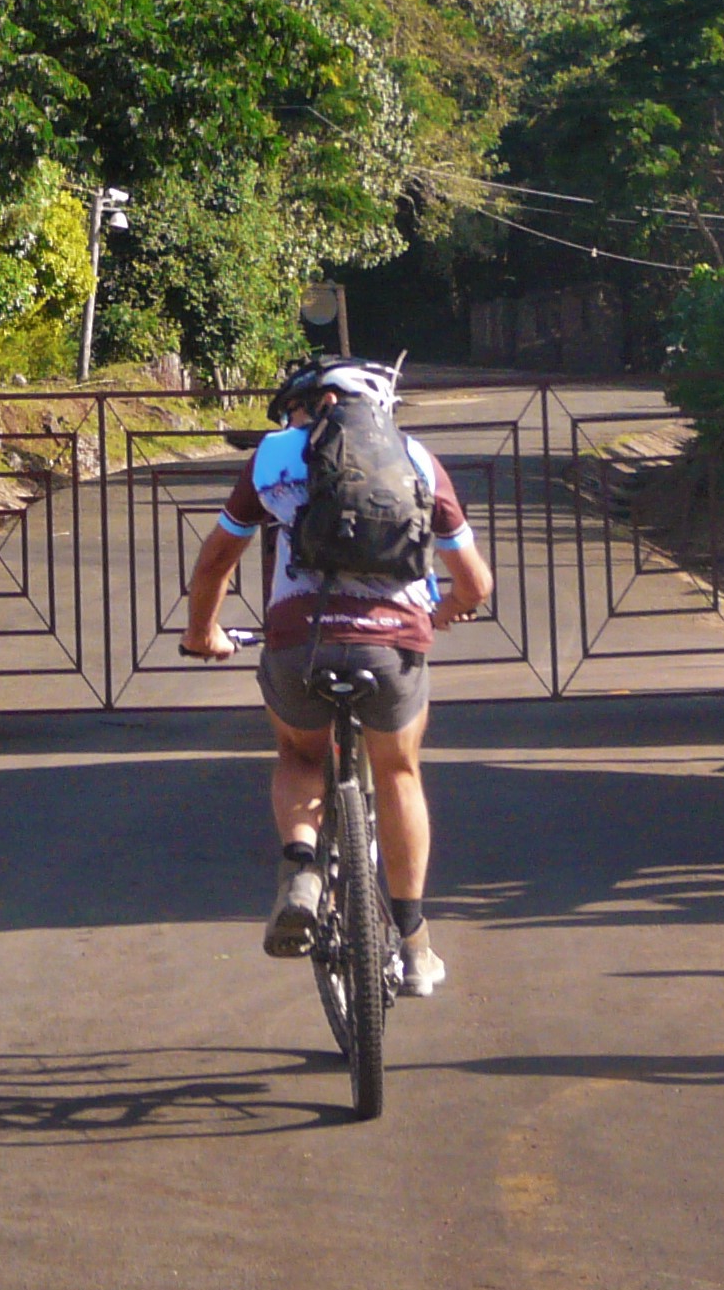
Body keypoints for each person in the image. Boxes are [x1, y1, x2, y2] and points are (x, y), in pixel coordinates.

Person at [178, 358, 492, 1002]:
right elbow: (477, 584)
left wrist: (202, 634)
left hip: (300, 640)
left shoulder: (273, 457)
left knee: (299, 753)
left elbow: (215, 561)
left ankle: (300, 869)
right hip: (392, 646)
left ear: (314, 402)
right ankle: (412, 943)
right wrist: (442, 611)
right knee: (400, 772)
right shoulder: (416, 459)